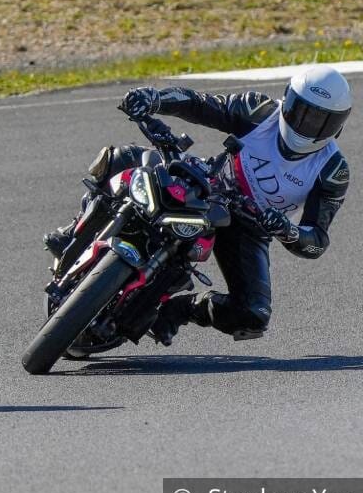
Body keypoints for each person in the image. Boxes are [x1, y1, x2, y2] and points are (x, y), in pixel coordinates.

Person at [44, 65, 351, 345]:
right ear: (288, 100)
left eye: (322, 121)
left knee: (253, 314)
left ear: (338, 126)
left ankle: (182, 309)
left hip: (248, 225)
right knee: (124, 158)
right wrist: (154, 99)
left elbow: (317, 240)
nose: (308, 125)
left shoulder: (332, 169)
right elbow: (200, 104)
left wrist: (288, 231)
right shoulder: (260, 111)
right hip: (208, 183)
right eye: (303, 113)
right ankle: (74, 232)